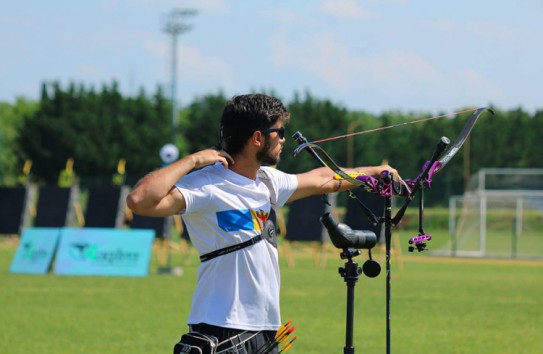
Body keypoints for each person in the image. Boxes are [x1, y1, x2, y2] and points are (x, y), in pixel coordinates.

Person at [126, 93, 399, 354]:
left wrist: (374, 173)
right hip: (221, 326)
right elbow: (139, 200)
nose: (283, 139)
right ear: (257, 138)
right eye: (278, 132)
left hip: (265, 328)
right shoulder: (206, 184)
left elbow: (321, 179)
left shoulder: (268, 180)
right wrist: (193, 160)